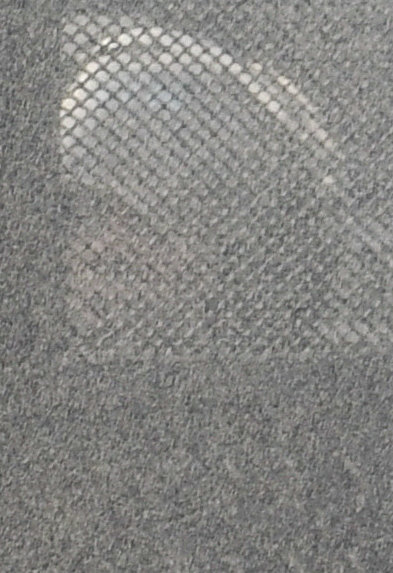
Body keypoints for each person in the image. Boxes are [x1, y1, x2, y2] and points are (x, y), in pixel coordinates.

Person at [59, 18, 344, 358]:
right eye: (87, 211)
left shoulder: (280, 393)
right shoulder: (18, 381)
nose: (107, 245)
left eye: (154, 221)